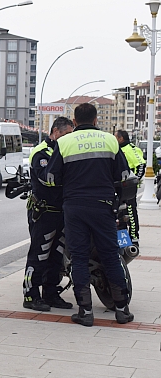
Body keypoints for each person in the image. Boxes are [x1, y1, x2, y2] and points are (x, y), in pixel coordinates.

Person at [41, 103, 133, 327]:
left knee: (79, 258)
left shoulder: (64, 142)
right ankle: (121, 310)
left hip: (75, 206)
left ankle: (86, 311)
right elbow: (123, 174)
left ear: (74, 122)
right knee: (111, 255)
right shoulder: (110, 140)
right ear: (95, 121)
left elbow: (49, 178)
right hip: (103, 205)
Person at [22, 117, 74, 312]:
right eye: (66, 134)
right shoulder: (41, 153)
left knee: (56, 256)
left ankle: (51, 294)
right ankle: (30, 294)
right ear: (55, 131)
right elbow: (47, 180)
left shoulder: (65, 151)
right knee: (39, 254)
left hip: (62, 212)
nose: (69, 138)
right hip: (43, 212)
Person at [115, 130, 145, 245]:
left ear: (121, 138)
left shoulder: (130, 148)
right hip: (118, 186)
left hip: (128, 187)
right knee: (120, 211)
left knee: (131, 211)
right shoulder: (118, 149)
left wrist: (134, 181)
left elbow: (141, 164)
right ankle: (122, 236)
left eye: (115, 137)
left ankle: (134, 237)